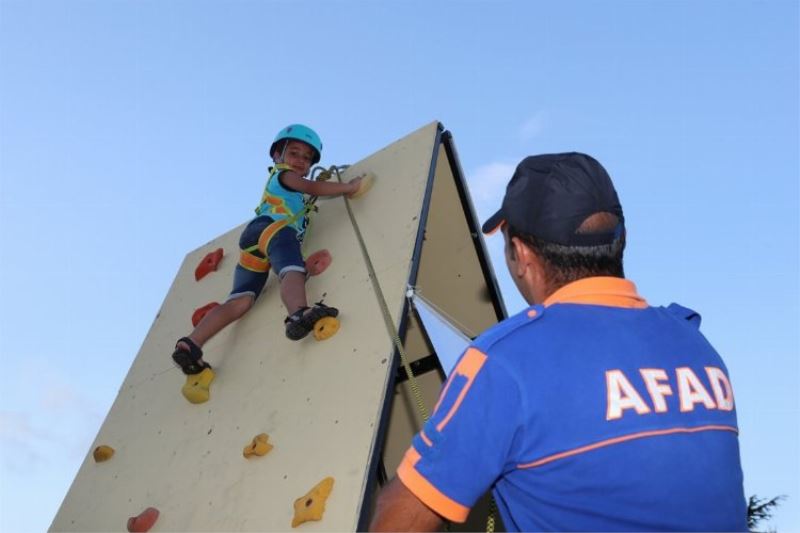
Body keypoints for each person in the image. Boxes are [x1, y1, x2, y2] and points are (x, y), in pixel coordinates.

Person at [370, 152, 747, 531]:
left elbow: (401, 518)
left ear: (521, 255)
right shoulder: (695, 343)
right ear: (622, 238)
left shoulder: (506, 363)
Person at [171, 124, 364, 375]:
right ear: (277, 156)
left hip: (253, 241)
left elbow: (307, 194)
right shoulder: (284, 175)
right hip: (273, 228)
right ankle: (298, 313)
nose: (300, 161)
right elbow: (313, 188)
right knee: (292, 270)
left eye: (307, 158)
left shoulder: (284, 185)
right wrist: (349, 187)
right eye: (294, 153)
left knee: (240, 300)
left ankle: (191, 343)